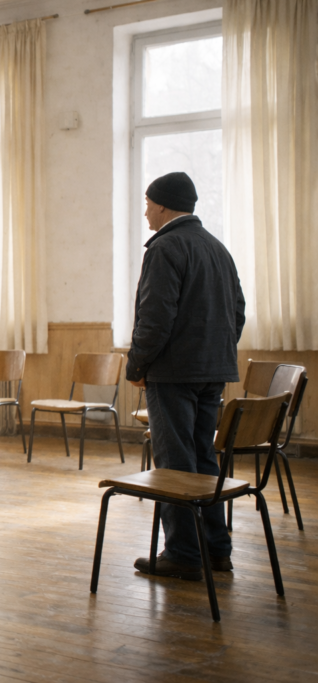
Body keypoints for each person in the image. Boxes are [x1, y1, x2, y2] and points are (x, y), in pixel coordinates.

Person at [126, 172, 245, 581]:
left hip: (174, 373)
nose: (145, 211)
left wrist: (137, 365)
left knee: (175, 464)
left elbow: (155, 318)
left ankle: (181, 552)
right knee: (201, 460)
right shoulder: (217, 248)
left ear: (162, 204)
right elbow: (238, 312)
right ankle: (215, 549)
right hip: (214, 370)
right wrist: (215, 354)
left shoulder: (165, 247)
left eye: (147, 203)